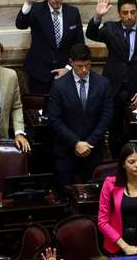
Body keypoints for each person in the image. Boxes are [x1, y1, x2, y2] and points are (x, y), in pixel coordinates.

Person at [86, 0, 137, 158]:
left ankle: (133, 163)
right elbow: (91, 34)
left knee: (133, 132)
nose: (129, 16)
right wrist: (98, 15)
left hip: (136, 92)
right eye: (125, 13)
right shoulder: (111, 29)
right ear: (119, 13)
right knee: (114, 132)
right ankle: (116, 163)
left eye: (133, 12)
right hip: (113, 90)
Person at [47, 43, 113, 186]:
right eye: (79, 66)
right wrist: (76, 143)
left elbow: (107, 115)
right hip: (66, 149)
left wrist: (89, 143)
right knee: (65, 192)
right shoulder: (59, 86)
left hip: (93, 150)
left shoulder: (103, 83)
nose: (84, 70)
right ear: (71, 62)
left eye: (87, 65)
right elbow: (54, 119)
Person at [15, 0, 84, 94]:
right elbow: (21, 24)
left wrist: (68, 68)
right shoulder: (36, 10)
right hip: (39, 74)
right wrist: (28, 3)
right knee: (41, 110)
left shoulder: (73, 12)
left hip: (66, 74)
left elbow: (79, 44)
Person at [97, 142, 137, 256]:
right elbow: (102, 222)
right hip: (116, 245)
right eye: (131, 162)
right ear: (123, 164)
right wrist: (125, 247)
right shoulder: (109, 183)